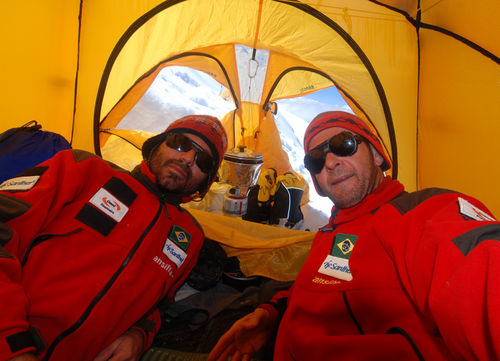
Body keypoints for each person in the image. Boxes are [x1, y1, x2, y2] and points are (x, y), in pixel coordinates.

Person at [208, 111, 500, 361]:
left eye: (343, 145)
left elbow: (480, 272)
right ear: (317, 183)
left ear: (376, 154)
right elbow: (322, 287)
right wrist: (273, 312)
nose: (331, 162)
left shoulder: (423, 212)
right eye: (316, 160)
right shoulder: (333, 230)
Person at [0, 114, 227, 361]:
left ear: (205, 182)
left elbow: (156, 307)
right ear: (157, 144)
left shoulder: (189, 237)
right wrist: (11, 343)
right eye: (180, 143)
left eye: (203, 160)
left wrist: (139, 334)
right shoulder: (85, 169)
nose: (187, 159)